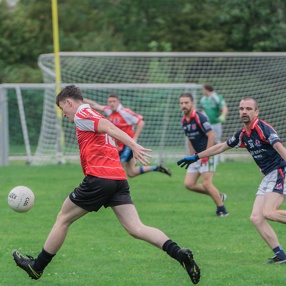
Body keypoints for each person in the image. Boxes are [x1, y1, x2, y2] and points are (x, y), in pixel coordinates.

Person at [13, 85, 200, 284]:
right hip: (118, 179)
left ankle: (37, 267)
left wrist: (134, 146)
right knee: (136, 228)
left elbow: (109, 127)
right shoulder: (89, 113)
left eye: (62, 109)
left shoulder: (82, 113)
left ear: (69, 102)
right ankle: (179, 253)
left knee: (63, 218)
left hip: (99, 178)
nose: (64, 115)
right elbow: (106, 129)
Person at [177, 97, 286, 264]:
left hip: (279, 172)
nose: (244, 111)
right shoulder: (243, 134)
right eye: (242, 108)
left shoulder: (264, 129)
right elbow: (221, 146)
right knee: (256, 218)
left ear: (256, 112)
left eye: (249, 109)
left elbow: (280, 149)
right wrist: (196, 157)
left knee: (269, 212)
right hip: (267, 176)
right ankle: (281, 256)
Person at [84, 95, 171, 178]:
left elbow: (141, 122)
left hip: (127, 144)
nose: (112, 103)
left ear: (118, 102)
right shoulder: (108, 110)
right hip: (120, 145)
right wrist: (79, 99)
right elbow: (94, 105)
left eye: (114, 101)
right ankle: (156, 168)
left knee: (117, 166)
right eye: (110, 102)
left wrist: (135, 139)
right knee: (131, 172)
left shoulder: (125, 112)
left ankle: (117, 190)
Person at [179, 93, 228, 217]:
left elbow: (212, 136)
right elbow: (189, 139)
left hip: (209, 153)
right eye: (181, 103)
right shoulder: (184, 121)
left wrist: (206, 155)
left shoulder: (200, 117)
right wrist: (191, 156)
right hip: (196, 156)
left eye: (186, 103)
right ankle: (219, 195)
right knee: (189, 184)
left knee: (206, 183)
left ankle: (222, 209)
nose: (184, 105)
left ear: (192, 104)